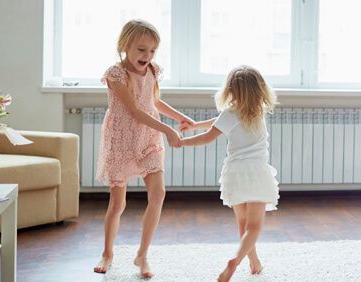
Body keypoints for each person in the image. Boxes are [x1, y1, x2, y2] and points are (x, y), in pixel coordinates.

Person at [94, 19, 193, 277]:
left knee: (158, 194)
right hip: (121, 140)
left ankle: (142, 255)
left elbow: (154, 102)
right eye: (141, 49)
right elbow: (135, 111)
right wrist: (169, 130)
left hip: (149, 139)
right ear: (125, 45)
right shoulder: (116, 74)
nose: (147, 56)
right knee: (117, 205)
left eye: (152, 51)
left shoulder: (152, 71)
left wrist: (179, 117)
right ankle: (107, 253)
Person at [179, 65, 279, 281]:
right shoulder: (259, 110)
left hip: (235, 173)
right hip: (258, 172)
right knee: (253, 227)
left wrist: (182, 142)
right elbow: (220, 124)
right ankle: (236, 260)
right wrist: (196, 126)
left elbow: (212, 133)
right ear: (260, 89)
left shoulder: (230, 112)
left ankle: (254, 262)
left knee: (242, 224)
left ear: (231, 89)